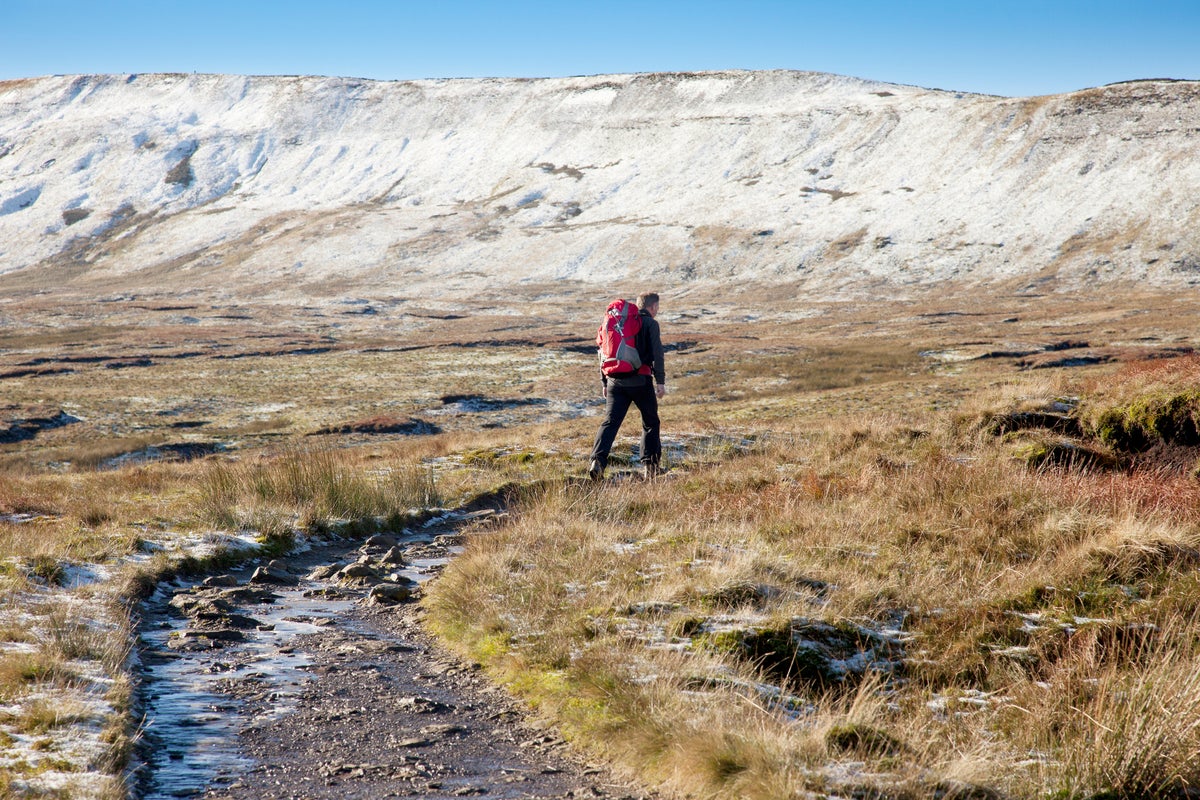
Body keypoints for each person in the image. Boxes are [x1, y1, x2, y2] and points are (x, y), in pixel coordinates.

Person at [589, 292, 666, 480]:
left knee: (610, 423)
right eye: (657, 307)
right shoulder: (650, 324)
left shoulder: (617, 323)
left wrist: (604, 382)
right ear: (653, 307)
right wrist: (660, 381)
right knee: (650, 422)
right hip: (640, 381)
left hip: (615, 381)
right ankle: (650, 468)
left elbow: (603, 352)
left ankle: (597, 462)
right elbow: (657, 353)